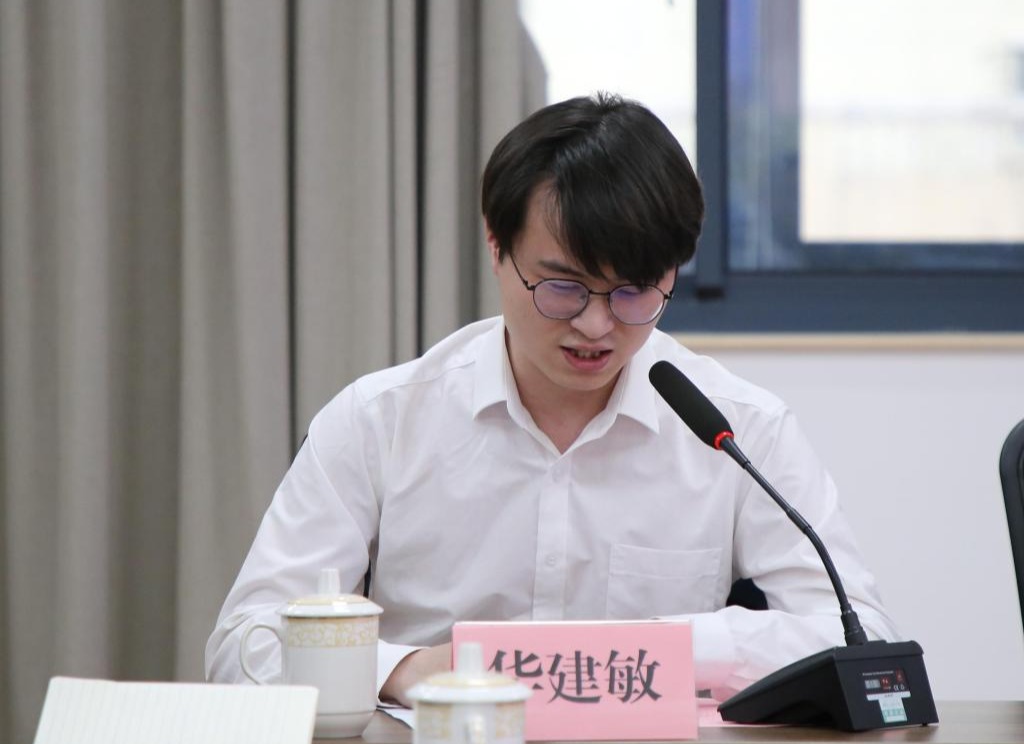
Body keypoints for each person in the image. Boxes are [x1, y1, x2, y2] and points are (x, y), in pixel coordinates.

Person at [205, 92, 899, 705]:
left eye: (635, 291)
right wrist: (408, 669)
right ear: (496, 245)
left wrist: (672, 651)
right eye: (563, 287)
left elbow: (863, 641)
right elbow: (243, 647)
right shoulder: (379, 422)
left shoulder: (740, 430)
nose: (596, 325)